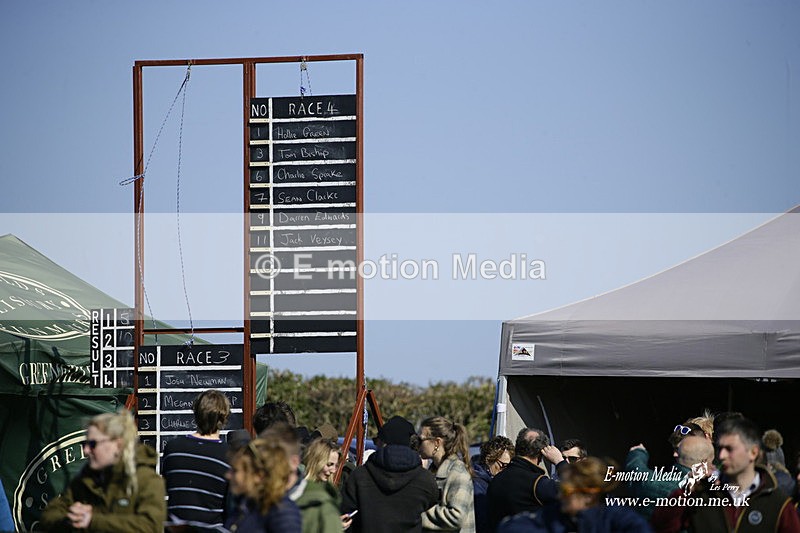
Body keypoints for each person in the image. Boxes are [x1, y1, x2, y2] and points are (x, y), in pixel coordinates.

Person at [652, 416, 800, 533]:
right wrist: (685, 491)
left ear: (753, 452)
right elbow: (661, 526)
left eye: (729, 449)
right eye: (720, 448)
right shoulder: (702, 494)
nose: (721, 455)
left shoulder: (778, 502)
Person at [40, 409, 166, 532]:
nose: (86, 451)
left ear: (118, 445)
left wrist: (93, 521)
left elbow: (150, 526)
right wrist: (73, 518)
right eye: (85, 444)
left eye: (93, 444)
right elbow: (50, 515)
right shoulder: (86, 480)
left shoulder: (147, 480)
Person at [497, 457, 652, 533]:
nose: (559, 497)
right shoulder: (555, 514)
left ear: (589, 496)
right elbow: (510, 527)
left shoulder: (621, 519)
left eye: (565, 491)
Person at [341, 415, 438, 533]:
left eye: (377, 440)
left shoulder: (360, 476)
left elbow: (345, 516)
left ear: (383, 442)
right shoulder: (425, 480)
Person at [161, 389, 231, 530]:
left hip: (176, 529)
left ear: (196, 413)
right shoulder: (229, 456)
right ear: (223, 418)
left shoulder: (173, 448)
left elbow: (167, 488)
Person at [486, 427, 560, 530]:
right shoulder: (538, 483)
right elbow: (577, 492)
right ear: (541, 454)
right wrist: (560, 462)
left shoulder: (495, 480)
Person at [224, 438, 301, 532]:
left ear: (259, 475)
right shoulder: (246, 505)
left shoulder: (282, 512)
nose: (228, 475)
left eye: (235, 471)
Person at [419, 416, 476, 533]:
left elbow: (456, 517)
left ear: (437, 443)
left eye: (421, 440)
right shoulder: (433, 470)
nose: (418, 445)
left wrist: (417, 514)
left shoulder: (457, 473)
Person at [298, 438, 346, 533]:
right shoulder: (298, 489)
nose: (333, 470)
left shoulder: (328, 490)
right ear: (316, 461)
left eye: (335, 465)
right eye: (329, 464)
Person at [471, 436, 514, 533]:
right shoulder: (477, 483)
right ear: (489, 459)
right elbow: (482, 522)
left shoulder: (493, 481)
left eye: (509, 466)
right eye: (503, 465)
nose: (505, 470)